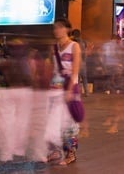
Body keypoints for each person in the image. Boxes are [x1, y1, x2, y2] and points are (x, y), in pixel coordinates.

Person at [46, 18, 81, 165]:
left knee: (69, 122)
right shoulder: (53, 47)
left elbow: (75, 70)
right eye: (55, 28)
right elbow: (51, 68)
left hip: (69, 87)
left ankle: (70, 153)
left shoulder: (74, 46)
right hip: (54, 88)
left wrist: (69, 90)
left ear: (67, 29)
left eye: (59, 28)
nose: (56, 31)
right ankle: (54, 151)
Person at [0, 38, 34, 163]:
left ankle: (6, 155)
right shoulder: (25, 62)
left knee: (6, 125)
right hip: (22, 92)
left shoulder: (6, 63)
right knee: (21, 124)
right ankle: (18, 152)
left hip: (8, 92)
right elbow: (29, 78)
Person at [71, 29, 89, 96]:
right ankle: (87, 92)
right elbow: (85, 52)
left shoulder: (73, 42)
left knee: (77, 78)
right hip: (83, 62)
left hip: (76, 61)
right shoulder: (84, 42)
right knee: (84, 78)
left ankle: (78, 92)